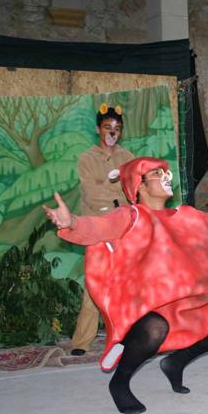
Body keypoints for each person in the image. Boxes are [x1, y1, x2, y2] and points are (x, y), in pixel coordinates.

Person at [43, 157, 208, 414]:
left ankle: (175, 362)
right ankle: (119, 382)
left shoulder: (187, 215)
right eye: (157, 174)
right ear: (139, 185)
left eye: (165, 173)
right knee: (155, 328)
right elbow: (99, 227)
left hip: (183, 306)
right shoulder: (130, 216)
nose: (166, 178)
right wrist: (72, 223)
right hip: (145, 309)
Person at [70, 103, 135, 356]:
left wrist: (110, 189)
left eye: (117, 128)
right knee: (94, 283)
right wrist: (114, 189)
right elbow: (91, 193)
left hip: (124, 228)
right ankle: (81, 341)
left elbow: (133, 190)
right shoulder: (87, 159)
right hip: (97, 228)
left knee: (127, 283)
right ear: (98, 129)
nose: (112, 132)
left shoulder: (127, 157)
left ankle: (127, 337)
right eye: (108, 127)